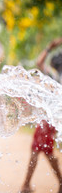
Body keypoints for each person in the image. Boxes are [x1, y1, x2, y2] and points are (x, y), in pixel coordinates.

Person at [20, 37, 62, 193]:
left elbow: (39, 62)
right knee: (45, 151)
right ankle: (59, 182)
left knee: (36, 149)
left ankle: (26, 185)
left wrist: (50, 46)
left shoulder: (54, 76)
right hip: (53, 119)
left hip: (48, 120)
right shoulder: (58, 77)